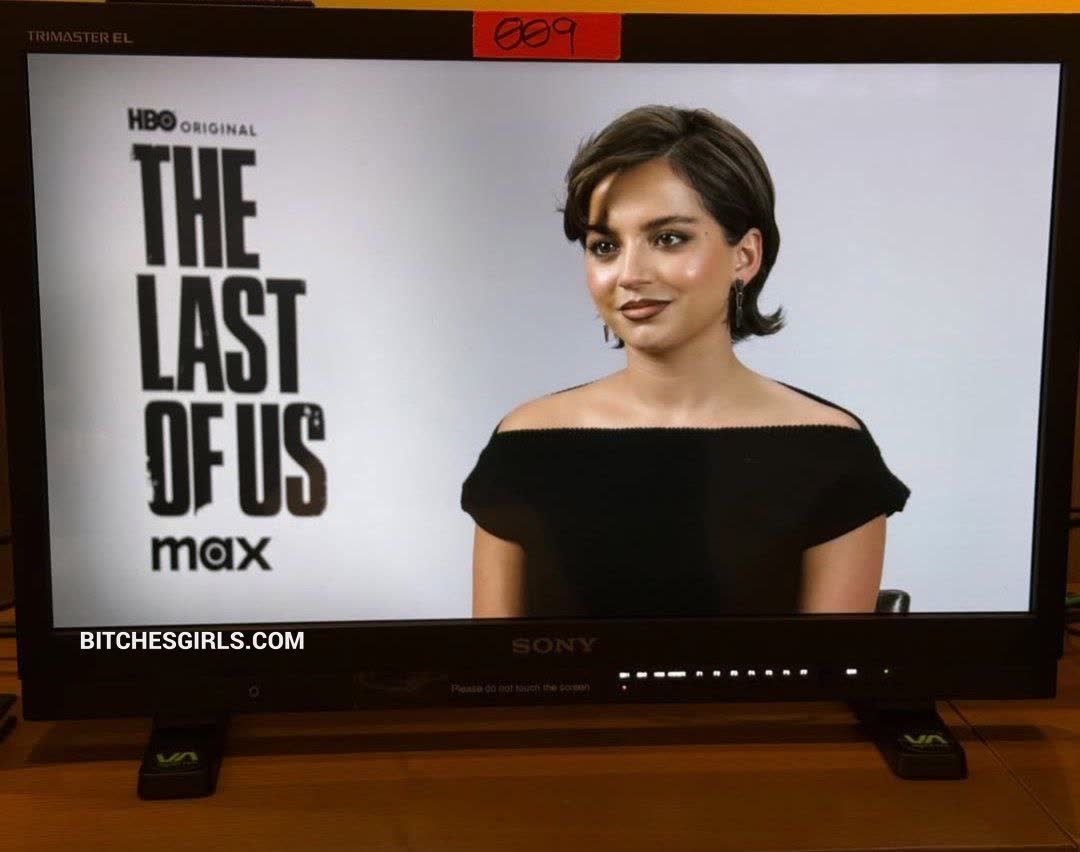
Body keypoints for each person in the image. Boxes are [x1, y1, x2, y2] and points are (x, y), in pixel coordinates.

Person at [461, 105, 909, 618]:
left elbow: (830, 668)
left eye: (668, 238)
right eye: (604, 246)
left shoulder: (832, 451)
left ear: (745, 255)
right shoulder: (524, 444)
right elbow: (495, 664)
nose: (629, 274)